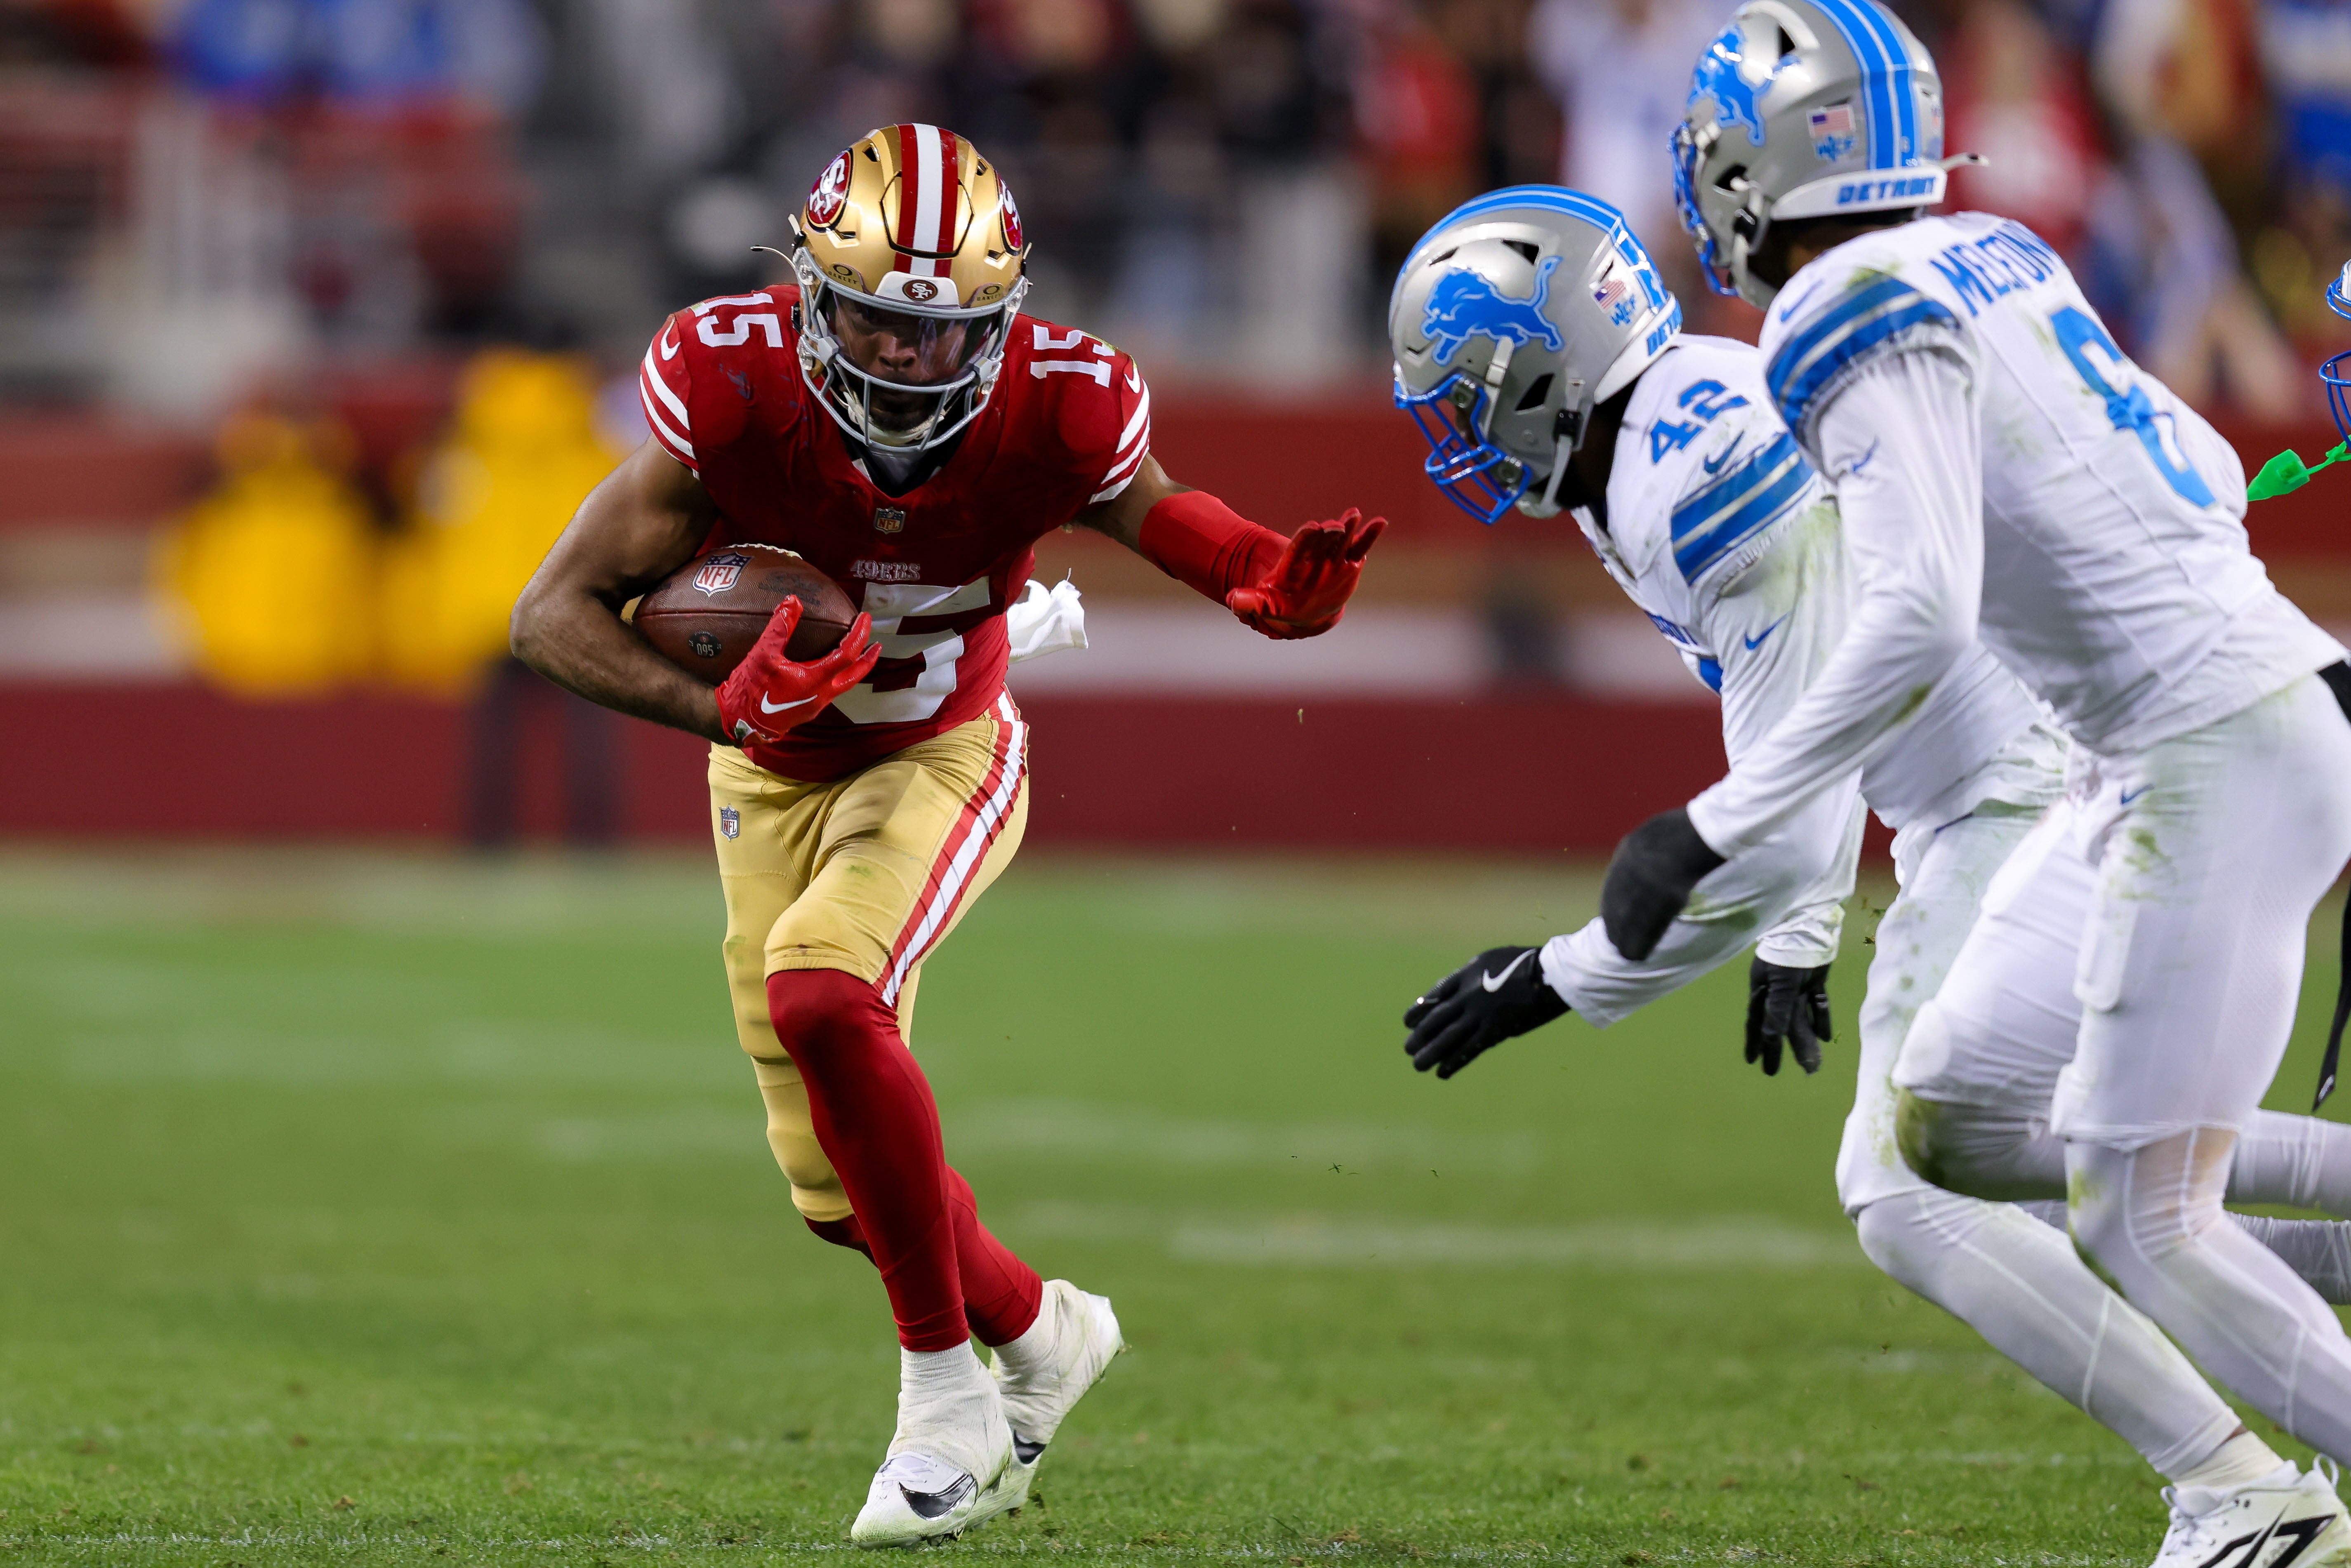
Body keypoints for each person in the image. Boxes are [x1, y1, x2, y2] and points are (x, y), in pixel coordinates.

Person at [1388, 182, 2351, 1566]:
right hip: (2022, 776)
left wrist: (1557, 978)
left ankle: (2238, 1485)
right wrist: (1796, 925)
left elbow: (1773, 798)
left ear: (1544, 368)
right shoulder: (1674, 420)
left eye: (1469, 395)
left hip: (2023, 789)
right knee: (2049, 1156)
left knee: (1912, 1189)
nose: (1464, 434)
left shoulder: (1685, 473)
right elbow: (1813, 705)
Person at [510, 123, 1385, 1547]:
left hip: (942, 747)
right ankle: (1044, 1333)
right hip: (771, 772)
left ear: (1001, 316)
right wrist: (715, 703)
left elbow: (1165, 514)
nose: (909, 359)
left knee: (822, 988)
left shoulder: (1060, 402)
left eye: (945, 330)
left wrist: (1260, 575)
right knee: (836, 1195)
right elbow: (548, 614)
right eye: (872, 321)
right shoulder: (728, 389)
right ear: (810, 294)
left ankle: (942, 1397)